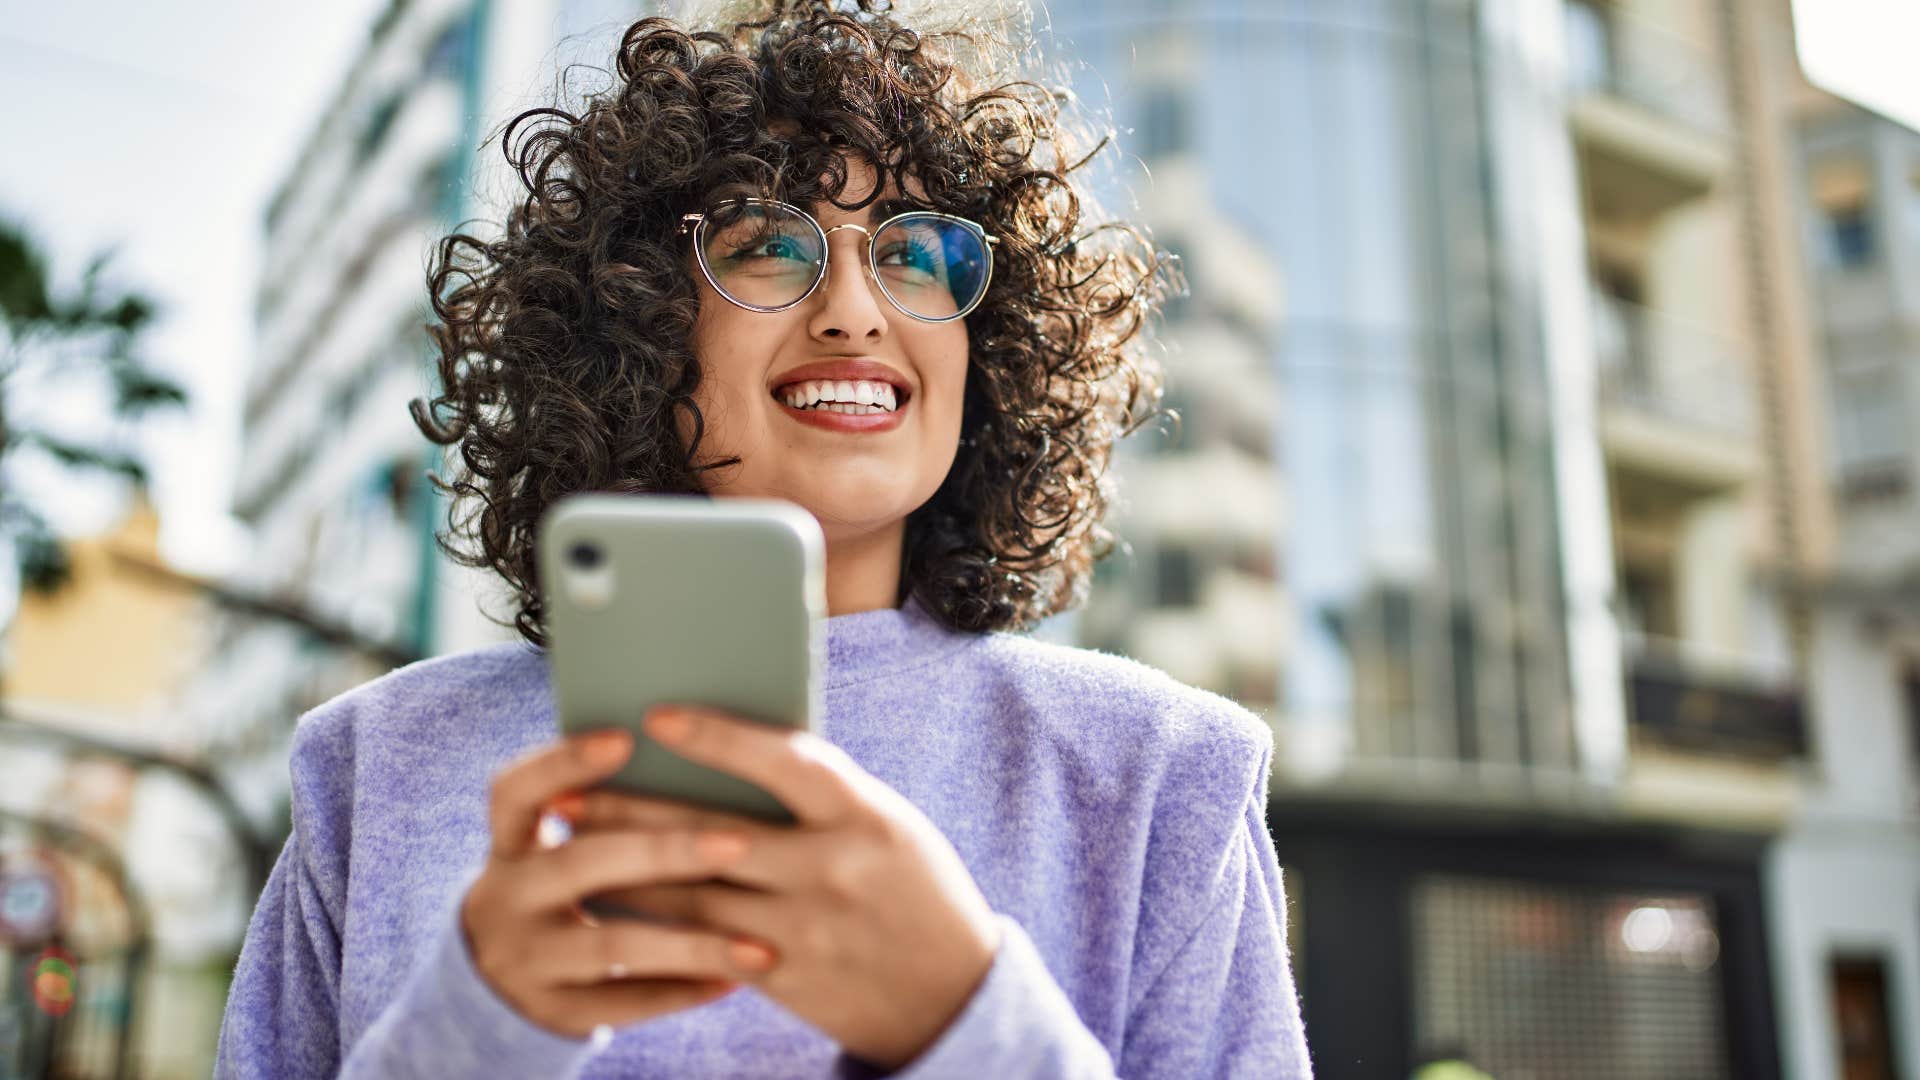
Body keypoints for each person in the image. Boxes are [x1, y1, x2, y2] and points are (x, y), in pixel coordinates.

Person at [213, 0, 1312, 1075]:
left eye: (918, 252)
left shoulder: (1164, 779)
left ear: (990, 350)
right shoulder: (375, 765)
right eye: (764, 245)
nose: (853, 308)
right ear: (637, 316)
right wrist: (472, 1031)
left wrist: (964, 1019)